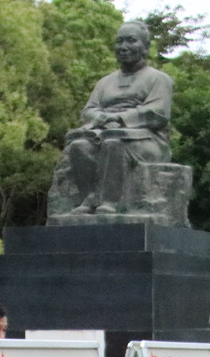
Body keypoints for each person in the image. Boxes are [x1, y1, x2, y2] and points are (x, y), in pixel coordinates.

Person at [61, 21, 172, 215]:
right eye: (120, 41)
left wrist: (120, 119)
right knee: (79, 146)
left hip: (146, 140)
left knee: (114, 144)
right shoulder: (105, 82)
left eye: (131, 40)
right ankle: (90, 197)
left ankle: (111, 201)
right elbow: (88, 111)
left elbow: (158, 113)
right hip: (103, 133)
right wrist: (102, 118)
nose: (124, 46)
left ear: (145, 47)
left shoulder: (158, 79)